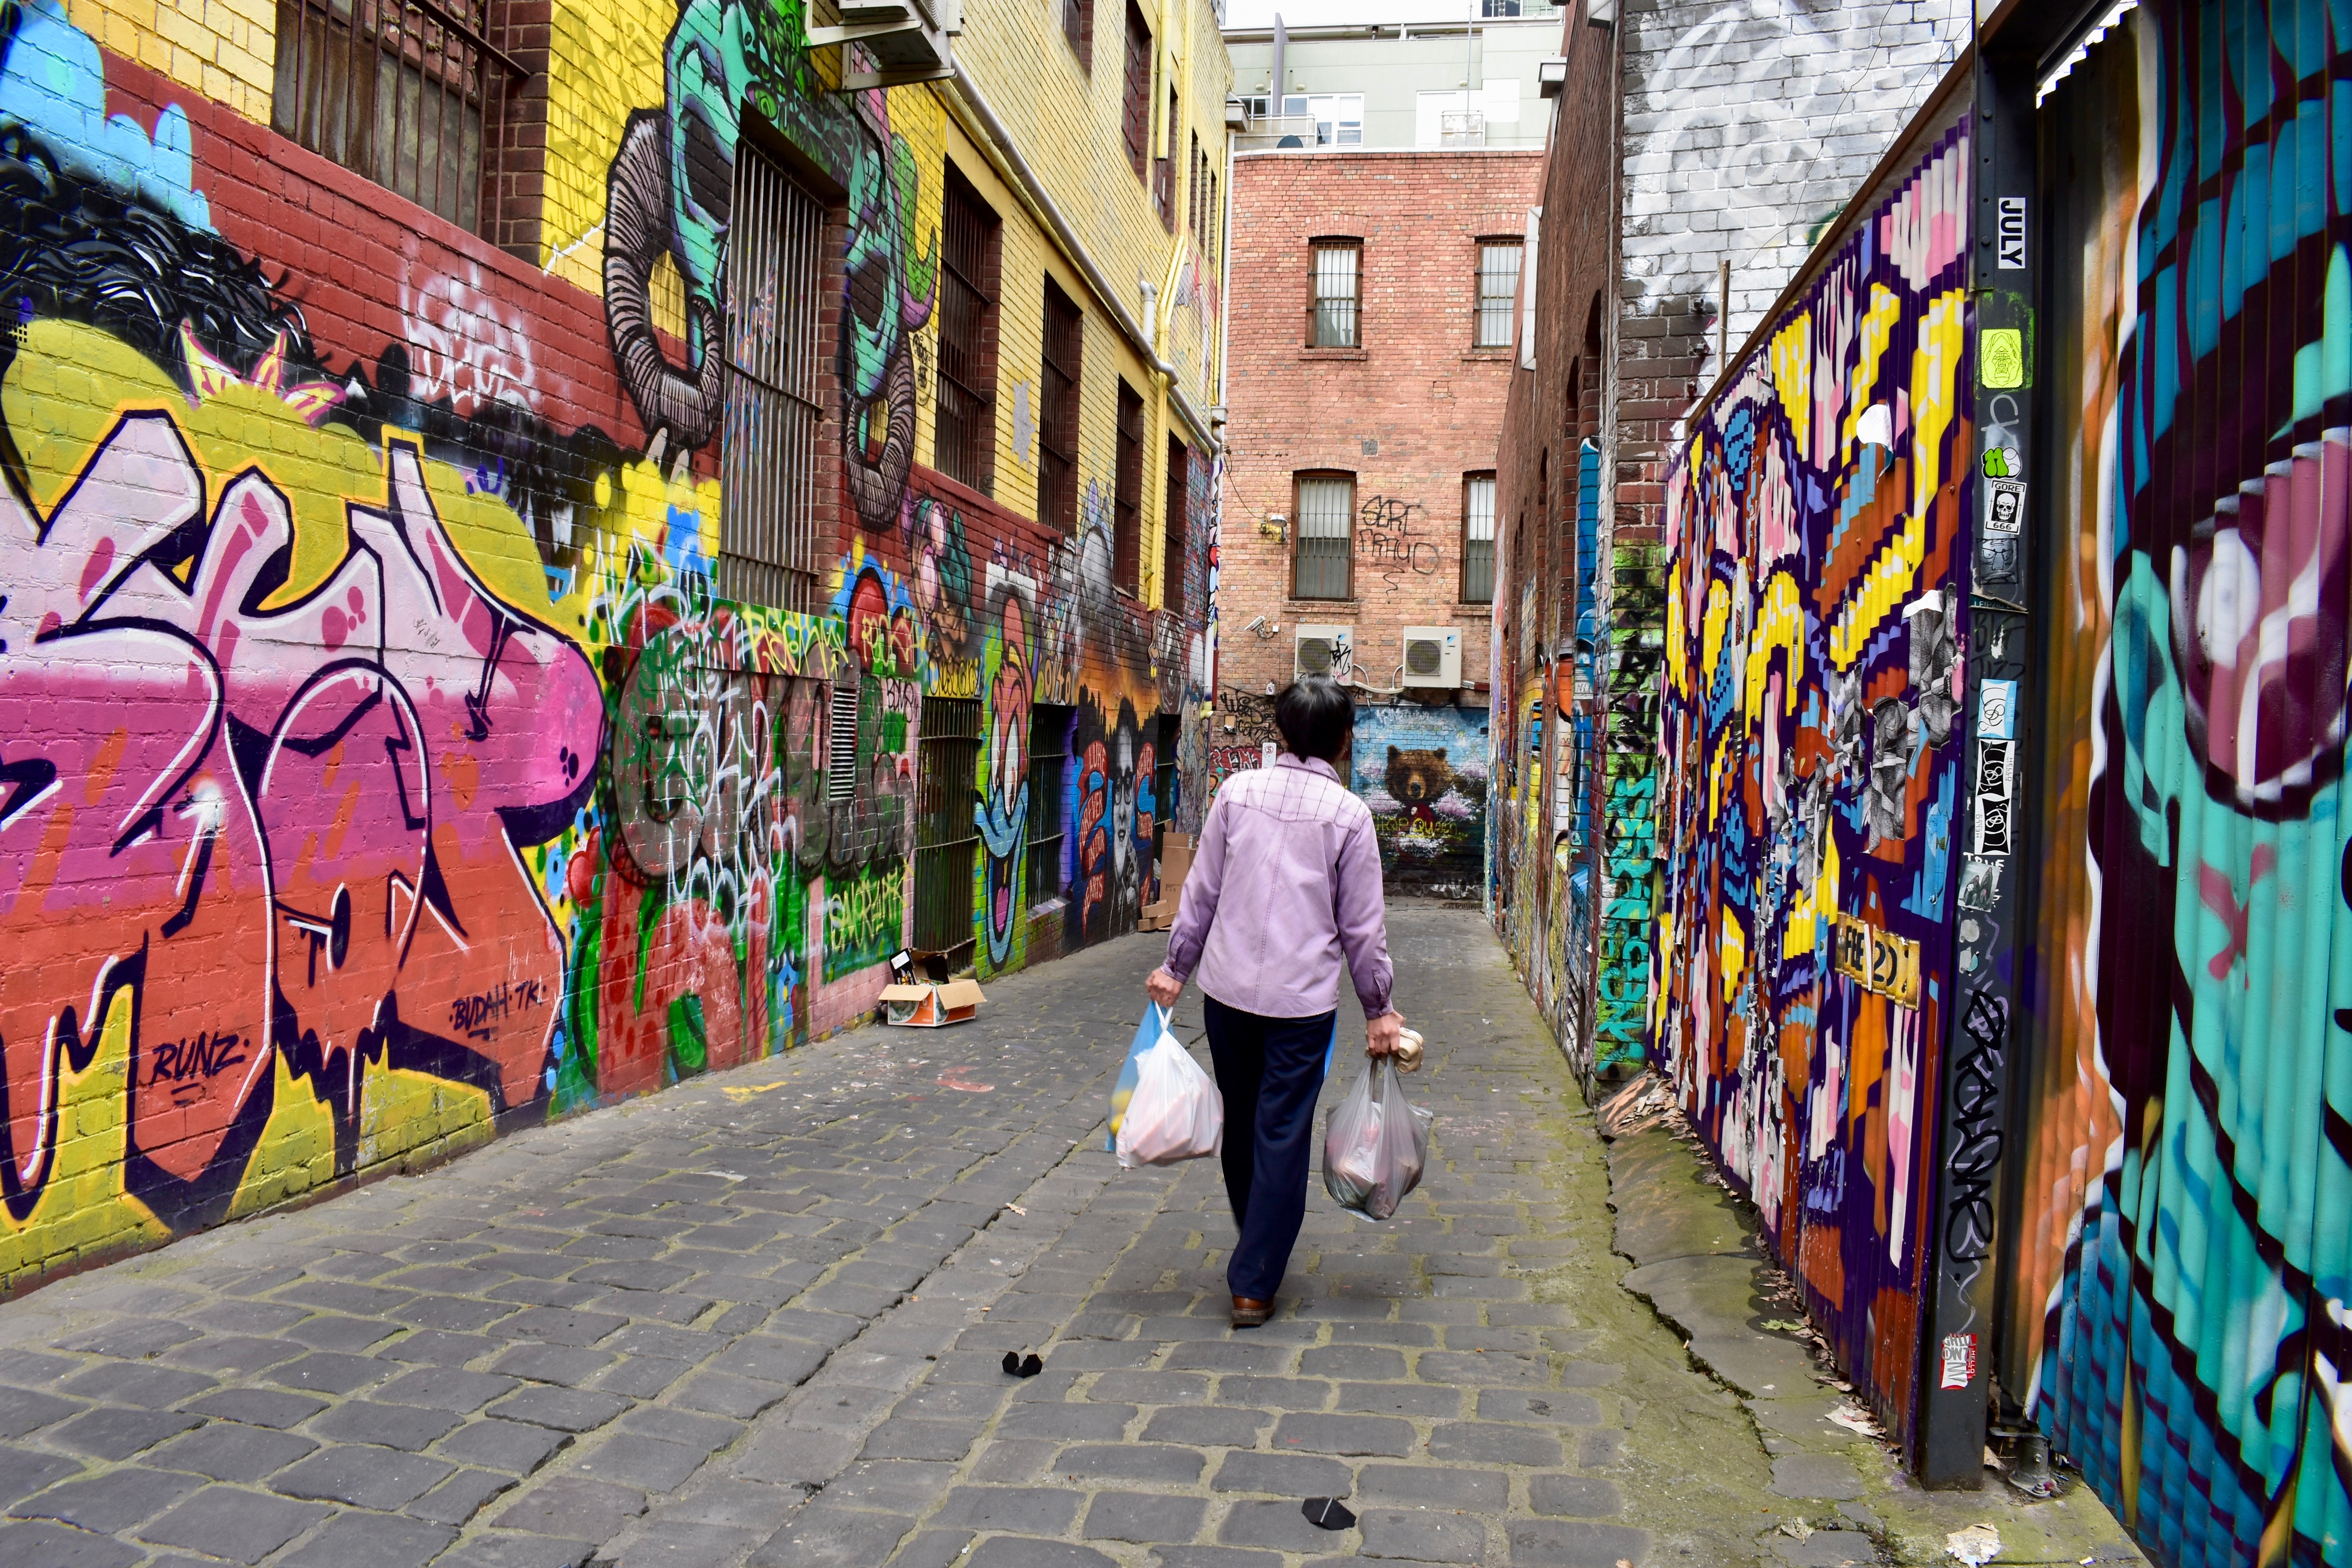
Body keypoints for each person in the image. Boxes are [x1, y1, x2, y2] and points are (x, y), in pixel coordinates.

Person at [1147, 676, 1403, 1327]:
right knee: (1281, 1133)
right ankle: (1255, 1280)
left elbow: (1200, 892)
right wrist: (1379, 1009)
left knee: (1244, 1123)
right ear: (1344, 744)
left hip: (1226, 995)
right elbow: (1363, 930)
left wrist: (1177, 968)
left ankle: (1254, 1250)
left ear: (1283, 734)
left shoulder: (1238, 794)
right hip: (1301, 1007)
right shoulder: (1350, 817)